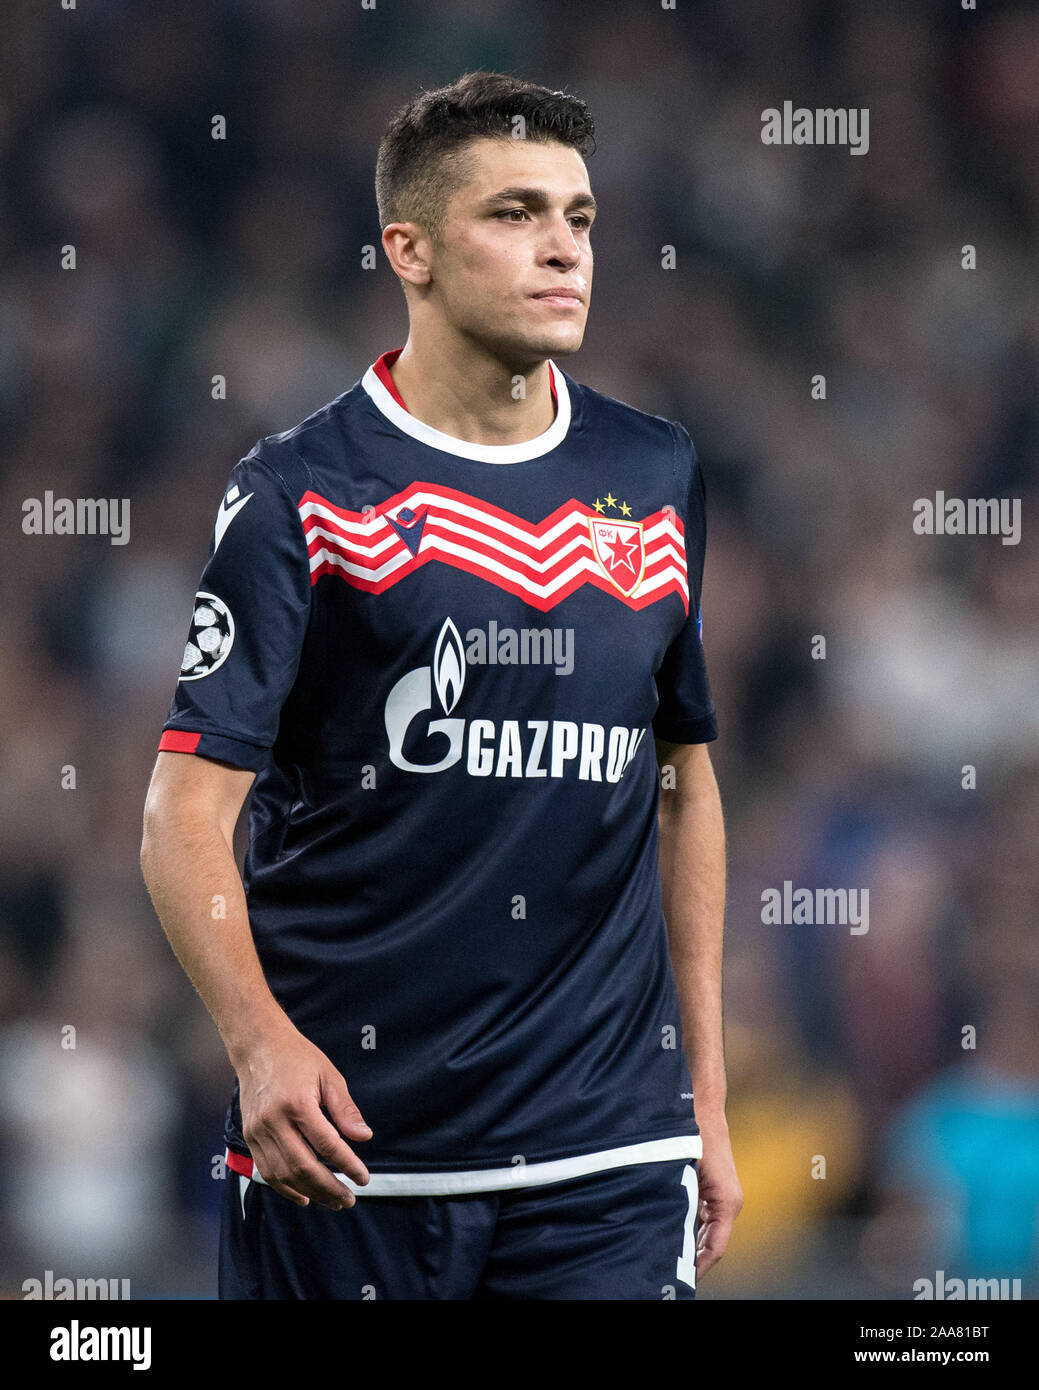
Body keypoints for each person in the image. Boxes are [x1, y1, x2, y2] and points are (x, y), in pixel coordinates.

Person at [140, 69, 742, 1300]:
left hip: (609, 1152)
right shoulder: (300, 491)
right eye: (515, 214)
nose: (562, 250)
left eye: (579, 218)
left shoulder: (655, 465)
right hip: (353, 1153)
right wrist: (259, 1048)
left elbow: (682, 788)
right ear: (407, 249)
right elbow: (181, 817)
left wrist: (705, 1099)